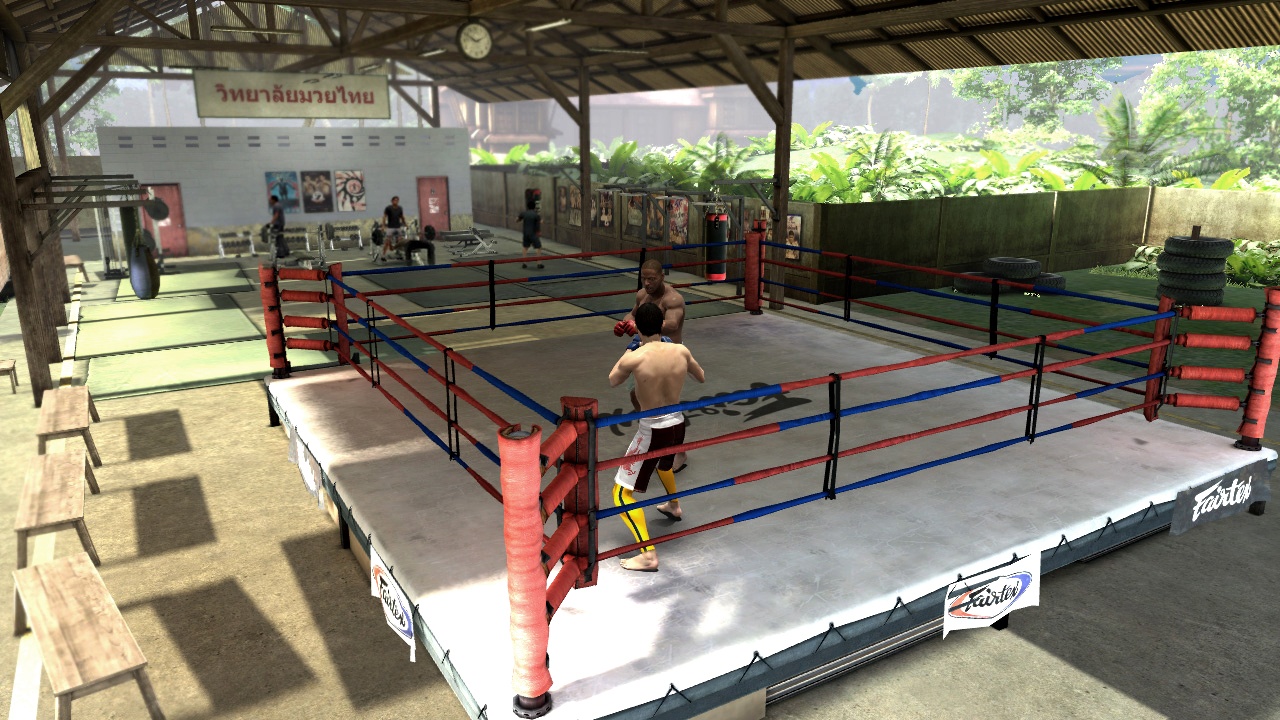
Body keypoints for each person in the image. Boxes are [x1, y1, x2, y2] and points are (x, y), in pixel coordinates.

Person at [608, 302, 705, 572]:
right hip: (678, 423)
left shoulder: (635, 357)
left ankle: (648, 555)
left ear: (637, 326)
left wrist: (630, 349)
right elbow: (701, 377)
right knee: (665, 465)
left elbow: (613, 379)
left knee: (620, 493)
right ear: (662, 324)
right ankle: (674, 505)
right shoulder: (681, 350)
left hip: (653, 429)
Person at [613, 259, 689, 469]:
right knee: (636, 397)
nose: (647, 283)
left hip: (669, 356)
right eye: (644, 278)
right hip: (645, 353)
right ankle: (654, 438)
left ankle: (678, 452)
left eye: (652, 279)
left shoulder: (673, 299)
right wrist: (626, 322)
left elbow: (672, 324)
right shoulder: (642, 295)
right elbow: (632, 313)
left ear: (662, 277)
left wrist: (639, 324)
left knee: (666, 405)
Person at [378, 196, 407, 263]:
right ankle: (383, 255)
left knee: (400, 241)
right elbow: (384, 217)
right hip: (390, 227)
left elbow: (402, 217)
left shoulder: (400, 208)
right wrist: (383, 226)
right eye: (395, 200)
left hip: (398, 227)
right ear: (392, 201)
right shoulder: (388, 208)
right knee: (387, 241)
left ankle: (398, 253)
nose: (396, 201)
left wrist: (405, 224)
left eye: (397, 200)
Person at [517, 198, 544, 269]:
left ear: (527, 206)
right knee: (538, 247)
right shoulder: (536, 215)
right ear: (534, 207)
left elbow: (517, 220)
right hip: (533, 233)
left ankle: (524, 263)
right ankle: (539, 263)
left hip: (526, 233)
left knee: (525, 247)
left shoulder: (524, 213)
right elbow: (540, 223)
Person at [268, 194, 288, 259]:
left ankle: (281, 254)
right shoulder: (279, 205)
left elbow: (276, 215)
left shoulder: (276, 206)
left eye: (270, 200)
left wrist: (271, 223)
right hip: (281, 224)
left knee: (278, 239)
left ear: (274, 200)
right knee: (281, 238)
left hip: (278, 224)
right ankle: (286, 252)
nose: (270, 201)